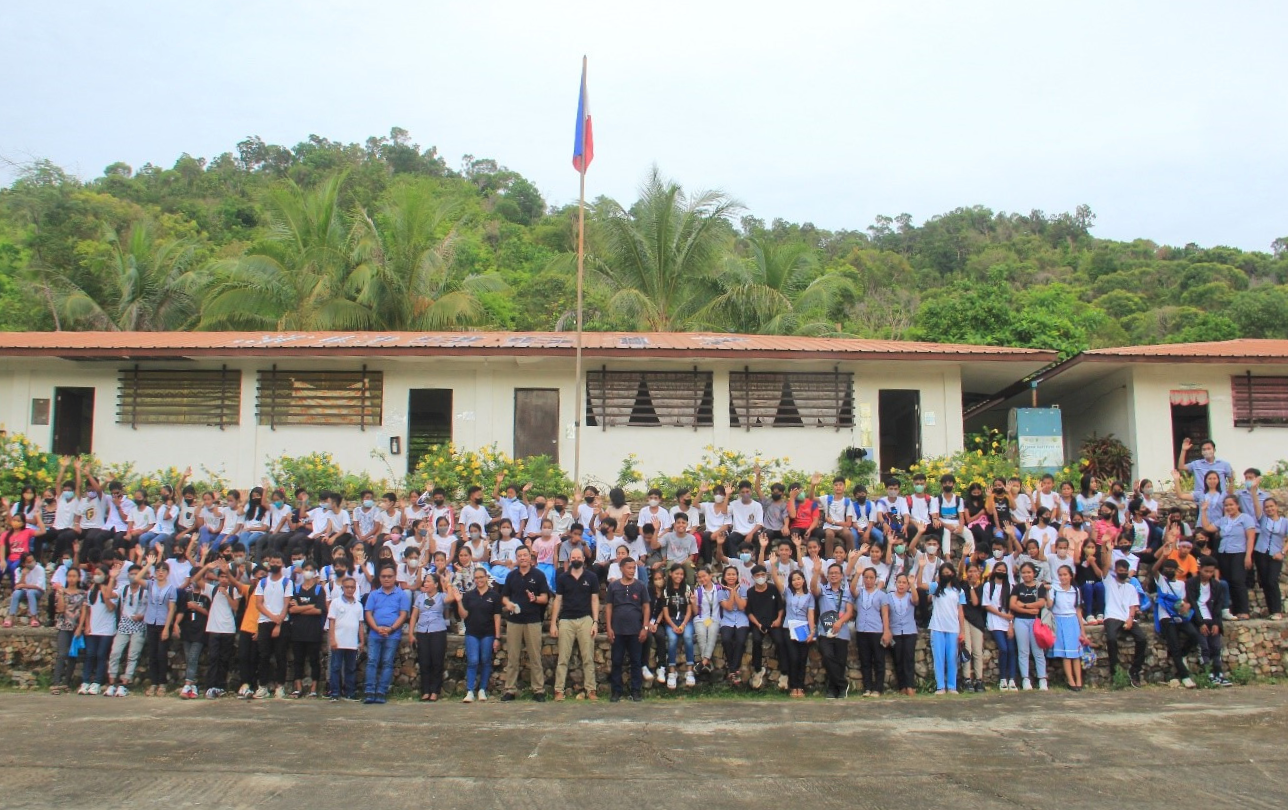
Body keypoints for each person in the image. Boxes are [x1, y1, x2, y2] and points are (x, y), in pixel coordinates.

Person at [499, 546, 549, 701]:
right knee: (513, 656)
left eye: (525, 555)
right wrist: (508, 604)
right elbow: (504, 596)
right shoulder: (512, 576)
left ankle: (538, 690)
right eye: (519, 555)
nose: (522, 558)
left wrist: (535, 599)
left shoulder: (539, 575)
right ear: (517, 558)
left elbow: (545, 598)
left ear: (530, 557)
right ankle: (510, 690)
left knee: (535, 656)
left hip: (533, 620)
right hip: (514, 620)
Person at [550, 546, 600, 700]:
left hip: (585, 619)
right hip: (566, 620)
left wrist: (595, 622)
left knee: (588, 657)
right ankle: (559, 690)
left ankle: (591, 690)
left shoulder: (591, 577)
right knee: (563, 658)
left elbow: (595, 599)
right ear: (569, 559)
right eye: (574, 558)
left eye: (579, 557)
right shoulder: (563, 578)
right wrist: (553, 623)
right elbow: (558, 600)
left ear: (584, 559)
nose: (576, 560)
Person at [1200, 495, 1257, 620]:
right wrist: (1203, 510)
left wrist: (1248, 555)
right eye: (1226, 505)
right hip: (1224, 553)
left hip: (1239, 552)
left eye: (1231, 504)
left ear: (1237, 505)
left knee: (1238, 580)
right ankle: (1233, 610)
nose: (1229, 507)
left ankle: (1243, 610)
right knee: (1228, 581)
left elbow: (1250, 538)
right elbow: (1208, 527)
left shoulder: (1246, 518)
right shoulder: (1224, 520)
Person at [1099, 542, 1145, 688]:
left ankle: (1135, 670)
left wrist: (1130, 619)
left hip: (1127, 617)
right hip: (1112, 616)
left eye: (1125, 569)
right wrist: (1108, 551)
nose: (1123, 571)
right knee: (1111, 639)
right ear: (1116, 570)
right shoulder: (1109, 582)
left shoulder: (1131, 587)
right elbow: (1105, 566)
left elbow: (1133, 606)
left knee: (1142, 639)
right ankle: (1115, 672)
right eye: (1120, 569)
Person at [362, 565, 410, 704]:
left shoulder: (401, 594)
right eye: (383, 576)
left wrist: (391, 628)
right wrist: (376, 628)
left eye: (389, 576)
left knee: (387, 662)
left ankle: (382, 691)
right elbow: (368, 613)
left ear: (395, 578)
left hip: (392, 634)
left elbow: (403, 614)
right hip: (375, 633)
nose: (387, 579)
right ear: (379, 578)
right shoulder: (374, 594)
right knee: (372, 661)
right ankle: (370, 691)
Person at [605, 556, 650, 702]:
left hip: (635, 630)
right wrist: (609, 627)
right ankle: (616, 691)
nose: (631, 571)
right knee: (616, 661)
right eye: (629, 568)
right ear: (621, 568)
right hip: (617, 630)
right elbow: (609, 607)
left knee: (636, 661)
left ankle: (636, 691)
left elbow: (646, 607)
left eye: (633, 568)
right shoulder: (614, 586)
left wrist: (645, 627)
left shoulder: (640, 586)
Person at [253, 551, 295, 699]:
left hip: (282, 623)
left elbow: (286, 604)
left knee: (280, 656)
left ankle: (280, 686)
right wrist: (272, 617)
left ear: (282, 565)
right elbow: (258, 604)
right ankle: (263, 686)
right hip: (264, 622)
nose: (275, 565)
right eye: (273, 562)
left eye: (278, 563)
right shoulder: (263, 582)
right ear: (269, 563)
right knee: (263, 655)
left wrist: (278, 623)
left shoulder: (287, 582)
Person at [1153, 557, 1199, 689]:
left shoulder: (1181, 584)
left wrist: (1186, 606)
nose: (1168, 571)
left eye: (1171, 569)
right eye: (1166, 569)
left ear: (1176, 570)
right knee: (1174, 645)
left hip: (1179, 615)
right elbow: (1154, 569)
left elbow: (1183, 600)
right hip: (1166, 617)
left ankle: (1184, 654)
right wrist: (1164, 555)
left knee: (1193, 634)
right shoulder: (1162, 581)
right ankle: (1185, 676)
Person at [1186, 556, 1232, 686]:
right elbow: (1193, 603)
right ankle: (1208, 673)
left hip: (1212, 619)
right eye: (1206, 571)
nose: (1208, 574)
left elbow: (1218, 605)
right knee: (1204, 648)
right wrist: (1200, 623)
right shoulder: (1191, 583)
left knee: (1216, 647)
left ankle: (1219, 674)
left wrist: (1217, 623)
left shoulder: (1216, 585)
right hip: (1198, 620)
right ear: (1200, 569)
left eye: (1211, 572)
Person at [410, 570, 455, 702]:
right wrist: (411, 633)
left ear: (435, 584)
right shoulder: (420, 598)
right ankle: (425, 691)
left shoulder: (441, 596)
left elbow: (451, 598)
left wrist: (447, 583)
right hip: (422, 631)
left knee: (437, 661)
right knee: (424, 661)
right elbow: (414, 616)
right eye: (425, 581)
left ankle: (435, 691)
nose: (426, 583)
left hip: (438, 631)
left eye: (429, 581)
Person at [459, 567, 501, 703]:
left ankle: (482, 689)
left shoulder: (494, 596)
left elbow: (497, 617)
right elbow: (463, 615)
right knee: (473, 661)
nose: (479, 580)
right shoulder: (469, 596)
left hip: (488, 633)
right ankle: (470, 690)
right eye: (476, 578)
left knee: (485, 660)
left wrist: (497, 637)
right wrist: (458, 601)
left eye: (481, 577)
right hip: (472, 632)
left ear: (486, 578)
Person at [813, 562, 854, 699]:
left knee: (840, 662)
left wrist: (840, 622)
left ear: (842, 576)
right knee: (827, 656)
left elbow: (849, 612)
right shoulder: (823, 590)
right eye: (831, 573)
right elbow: (813, 588)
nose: (834, 575)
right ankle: (843, 684)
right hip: (825, 631)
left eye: (836, 573)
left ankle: (834, 690)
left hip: (841, 632)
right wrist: (816, 572)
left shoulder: (847, 592)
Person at [105, 564, 147, 696]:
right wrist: (112, 579)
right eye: (131, 573)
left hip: (139, 625)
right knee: (115, 653)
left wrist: (142, 616)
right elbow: (108, 595)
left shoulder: (146, 591)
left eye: (136, 573)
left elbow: (153, 607)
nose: (133, 576)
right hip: (124, 624)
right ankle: (112, 684)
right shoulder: (123, 589)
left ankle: (125, 684)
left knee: (132, 656)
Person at [77, 564, 117, 695]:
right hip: (93, 628)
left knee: (101, 655)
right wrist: (87, 625)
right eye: (95, 573)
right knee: (90, 655)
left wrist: (106, 592)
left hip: (106, 629)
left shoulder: (110, 590)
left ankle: (98, 682)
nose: (96, 576)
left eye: (99, 574)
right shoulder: (91, 591)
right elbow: (88, 609)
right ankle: (86, 681)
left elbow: (111, 608)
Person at [850, 565, 891, 697]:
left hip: (876, 630)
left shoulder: (881, 595)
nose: (868, 580)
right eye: (866, 577)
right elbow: (852, 589)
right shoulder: (860, 593)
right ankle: (867, 687)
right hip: (862, 630)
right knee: (865, 660)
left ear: (875, 579)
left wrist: (886, 631)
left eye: (871, 578)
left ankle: (878, 688)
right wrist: (857, 574)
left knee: (879, 660)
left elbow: (885, 614)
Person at [745, 563, 786, 691]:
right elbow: (749, 612)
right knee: (756, 640)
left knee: (780, 641)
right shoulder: (750, 592)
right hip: (758, 623)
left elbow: (780, 607)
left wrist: (778, 620)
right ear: (753, 577)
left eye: (763, 575)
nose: (760, 577)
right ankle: (757, 670)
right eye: (757, 575)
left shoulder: (773, 588)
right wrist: (758, 624)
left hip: (774, 623)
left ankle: (785, 672)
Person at [1009, 561, 1049, 691]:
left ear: (1034, 573)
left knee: (1038, 651)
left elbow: (1041, 603)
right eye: (1024, 572)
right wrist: (1027, 610)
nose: (1026, 575)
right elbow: (1012, 605)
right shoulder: (1017, 587)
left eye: (1029, 572)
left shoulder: (1039, 587)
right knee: (1023, 651)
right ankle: (1025, 679)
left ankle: (1042, 679)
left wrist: (1024, 605)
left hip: (1035, 621)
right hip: (1020, 620)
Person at [287, 563, 326, 698]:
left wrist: (300, 608)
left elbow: (319, 610)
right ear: (302, 571)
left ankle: (314, 689)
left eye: (311, 570)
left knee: (314, 660)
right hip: (298, 631)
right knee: (298, 660)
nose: (308, 572)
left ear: (315, 572)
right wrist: (310, 606)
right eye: (306, 569)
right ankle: (298, 688)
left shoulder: (319, 590)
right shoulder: (296, 590)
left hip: (314, 631)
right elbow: (292, 609)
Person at [927, 563, 966, 695]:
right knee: (938, 657)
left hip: (953, 628)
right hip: (937, 627)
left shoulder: (959, 591)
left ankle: (952, 686)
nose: (946, 575)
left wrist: (963, 631)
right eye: (943, 572)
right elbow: (921, 585)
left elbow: (960, 612)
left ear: (953, 574)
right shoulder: (935, 587)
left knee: (952, 658)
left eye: (948, 572)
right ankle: (940, 686)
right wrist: (921, 568)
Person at [172, 566, 209, 700]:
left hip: (200, 631)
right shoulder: (186, 595)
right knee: (189, 658)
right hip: (187, 630)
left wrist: (197, 607)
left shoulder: (207, 595)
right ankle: (193, 686)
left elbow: (209, 613)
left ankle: (187, 684)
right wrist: (176, 624)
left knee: (193, 656)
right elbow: (181, 611)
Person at [1049, 565, 1086, 691]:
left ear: (1070, 576)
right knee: (1065, 653)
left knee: (1075, 654)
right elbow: (1049, 605)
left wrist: (1083, 630)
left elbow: (1078, 611)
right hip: (1059, 620)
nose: (1063, 577)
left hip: (1072, 620)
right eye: (1060, 575)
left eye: (1065, 574)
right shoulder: (1054, 589)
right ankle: (1071, 680)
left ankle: (1079, 680)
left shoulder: (1076, 590)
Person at [660, 563, 696, 689]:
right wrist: (673, 626)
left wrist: (684, 624)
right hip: (671, 621)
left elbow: (689, 610)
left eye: (681, 574)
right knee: (673, 639)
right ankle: (672, 671)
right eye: (677, 573)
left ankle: (690, 670)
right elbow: (665, 612)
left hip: (685, 620)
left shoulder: (686, 589)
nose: (679, 576)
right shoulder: (666, 591)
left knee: (687, 637)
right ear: (671, 574)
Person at [51, 567, 85, 694]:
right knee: (61, 654)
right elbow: (60, 609)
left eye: (74, 576)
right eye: (69, 576)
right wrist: (60, 594)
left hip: (76, 627)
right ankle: (56, 683)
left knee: (72, 655)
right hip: (64, 626)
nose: (71, 578)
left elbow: (83, 612)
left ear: (78, 578)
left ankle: (66, 683)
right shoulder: (62, 592)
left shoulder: (82, 594)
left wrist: (80, 627)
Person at [780, 570, 815, 697]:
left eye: (799, 578)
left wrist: (812, 632)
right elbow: (778, 583)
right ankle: (793, 686)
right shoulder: (788, 593)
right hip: (788, 628)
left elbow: (810, 614)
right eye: (794, 579)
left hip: (803, 629)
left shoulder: (809, 596)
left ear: (804, 580)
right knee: (793, 658)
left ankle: (800, 687)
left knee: (802, 658)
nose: (796, 581)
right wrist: (773, 567)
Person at [983, 562, 1016, 691]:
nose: (1001, 572)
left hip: (1008, 623)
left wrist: (1011, 625)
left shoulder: (1011, 587)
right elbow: (987, 605)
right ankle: (1003, 678)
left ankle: (1012, 678)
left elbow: (1012, 608)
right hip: (994, 621)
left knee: (1012, 650)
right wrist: (1002, 615)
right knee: (1003, 649)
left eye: (1003, 570)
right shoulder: (988, 586)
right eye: (999, 569)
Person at [716, 565, 749, 685]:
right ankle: (734, 669)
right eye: (728, 574)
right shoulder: (720, 592)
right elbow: (729, 607)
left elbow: (741, 606)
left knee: (740, 641)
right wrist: (732, 592)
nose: (731, 577)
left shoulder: (744, 589)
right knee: (725, 640)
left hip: (742, 620)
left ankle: (732, 670)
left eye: (733, 574)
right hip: (727, 620)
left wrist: (734, 591)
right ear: (724, 577)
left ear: (737, 576)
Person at [888, 573, 918, 696]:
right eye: (899, 582)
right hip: (895, 631)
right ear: (895, 583)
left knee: (909, 659)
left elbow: (916, 601)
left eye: (904, 582)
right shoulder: (889, 596)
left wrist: (912, 584)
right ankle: (902, 686)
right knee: (898, 659)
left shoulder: (910, 596)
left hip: (909, 630)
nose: (901, 585)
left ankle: (910, 685)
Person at [960, 563, 987, 692]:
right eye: (969, 571)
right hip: (965, 619)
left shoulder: (982, 588)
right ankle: (967, 679)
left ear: (979, 573)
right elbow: (959, 572)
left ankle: (979, 679)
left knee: (977, 652)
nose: (972, 574)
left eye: (974, 571)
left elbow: (976, 602)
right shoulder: (962, 586)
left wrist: (972, 587)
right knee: (967, 649)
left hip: (977, 621)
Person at [692, 566, 721, 680]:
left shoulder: (718, 589)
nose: (702, 579)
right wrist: (693, 602)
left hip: (714, 618)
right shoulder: (697, 591)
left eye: (704, 576)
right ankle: (707, 662)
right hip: (701, 618)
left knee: (713, 632)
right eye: (699, 577)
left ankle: (703, 662)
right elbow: (695, 611)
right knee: (701, 634)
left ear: (710, 575)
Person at [5, 549, 44, 627]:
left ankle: (33, 618)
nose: (32, 563)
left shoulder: (40, 569)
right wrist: (23, 575)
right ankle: (11, 618)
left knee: (31, 592)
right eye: (29, 562)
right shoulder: (18, 570)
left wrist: (24, 586)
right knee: (16, 593)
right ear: (23, 564)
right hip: (24, 591)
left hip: (37, 591)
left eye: (33, 560)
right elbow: (18, 586)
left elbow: (39, 586)